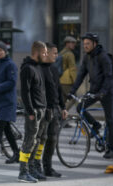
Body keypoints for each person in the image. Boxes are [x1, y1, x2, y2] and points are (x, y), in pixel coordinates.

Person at [69, 32, 113, 159]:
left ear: (95, 44)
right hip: (94, 90)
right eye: (84, 44)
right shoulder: (86, 58)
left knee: (109, 119)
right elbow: (80, 76)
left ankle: (111, 148)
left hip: (106, 92)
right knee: (80, 108)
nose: (85, 46)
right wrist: (72, 91)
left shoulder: (103, 56)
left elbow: (109, 77)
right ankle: (96, 124)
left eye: (88, 44)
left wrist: (103, 92)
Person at [18, 41, 48, 183]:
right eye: (44, 52)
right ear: (36, 52)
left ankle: (31, 169)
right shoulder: (27, 68)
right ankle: (23, 172)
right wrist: (30, 111)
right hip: (33, 111)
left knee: (36, 141)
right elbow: (25, 92)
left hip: (41, 109)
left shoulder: (38, 68)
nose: (46, 55)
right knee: (29, 141)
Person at [41, 43, 68, 178]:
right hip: (43, 109)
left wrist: (63, 107)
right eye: (55, 53)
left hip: (55, 109)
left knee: (52, 139)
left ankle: (48, 167)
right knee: (40, 139)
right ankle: (34, 167)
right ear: (46, 53)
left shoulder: (54, 69)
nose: (57, 56)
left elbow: (58, 89)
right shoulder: (38, 68)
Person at [59, 36, 77, 111]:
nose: (74, 44)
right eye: (72, 43)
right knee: (74, 98)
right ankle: (63, 113)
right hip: (67, 81)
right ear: (67, 44)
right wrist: (75, 82)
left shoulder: (61, 52)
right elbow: (72, 69)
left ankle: (60, 119)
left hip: (60, 80)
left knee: (62, 101)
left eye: (74, 43)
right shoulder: (70, 54)